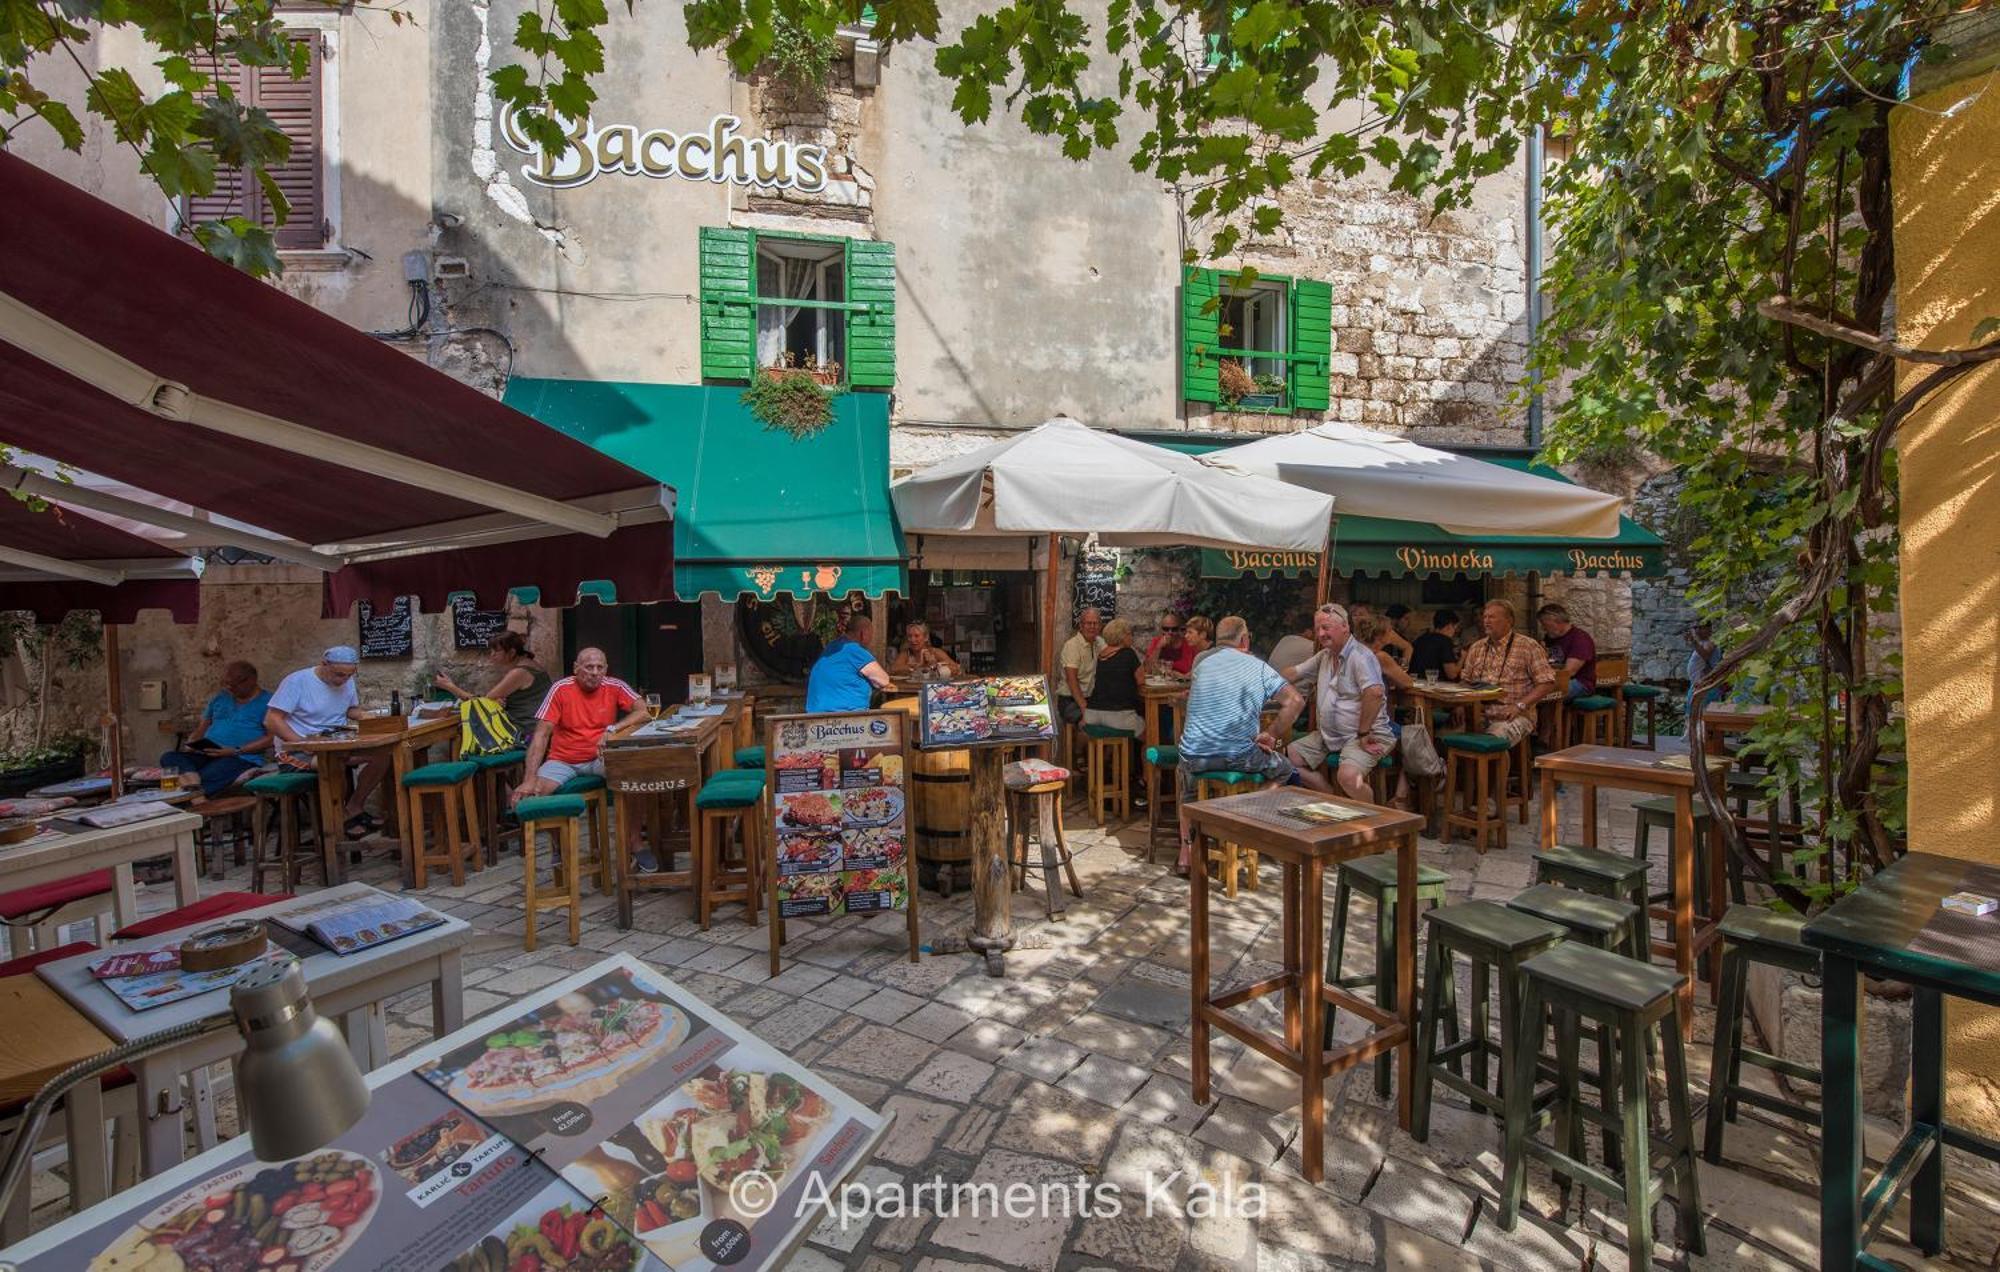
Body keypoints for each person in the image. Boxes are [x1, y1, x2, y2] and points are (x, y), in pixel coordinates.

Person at [1175, 616, 1306, 871]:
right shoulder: (1257, 667)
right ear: (1245, 640)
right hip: (1238, 754)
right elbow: (1296, 701)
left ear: (1217, 640)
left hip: (1193, 754)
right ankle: (1246, 822)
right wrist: (1272, 733)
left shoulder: (1203, 664)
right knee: (1285, 769)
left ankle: (1186, 854)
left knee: (1188, 786)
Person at [266, 646, 388, 838]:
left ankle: (353, 807)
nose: (343, 680)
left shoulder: (347, 681)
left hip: (336, 742)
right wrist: (301, 744)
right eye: (338, 674)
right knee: (333, 763)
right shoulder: (297, 681)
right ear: (324, 664)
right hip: (298, 751)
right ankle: (337, 820)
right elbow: (272, 719)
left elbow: (350, 710)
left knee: (382, 756)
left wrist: (369, 716)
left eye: (348, 675)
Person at [1282, 604, 1396, 801]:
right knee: (1282, 760)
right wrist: (1266, 680)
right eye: (1317, 629)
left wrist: (1363, 732)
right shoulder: (1325, 655)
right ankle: (1331, 796)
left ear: (1345, 627)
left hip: (1365, 735)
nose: (1320, 633)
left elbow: (1375, 693)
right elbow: (1293, 672)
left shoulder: (1360, 656)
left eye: (1326, 627)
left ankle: (1374, 822)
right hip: (1330, 736)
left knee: (1349, 777)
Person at [511, 647, 650, 805]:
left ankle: (634, 831)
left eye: (600, 667)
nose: (595, 672)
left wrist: (612, 730)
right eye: (589, 667)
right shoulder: (560, 689)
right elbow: (541, 735)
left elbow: (644, 712)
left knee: (636, 780)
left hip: (600, 757)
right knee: (529, 798)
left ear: (606, 669)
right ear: (576, 668)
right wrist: (529, 779)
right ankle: (566, 830)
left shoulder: (615, 686)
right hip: (563, 760)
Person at [161, 660, 271, 796]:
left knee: (206, 775)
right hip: (206, 753)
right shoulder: (220, 698)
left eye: (234, 685)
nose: (229, 688)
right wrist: (193, 742)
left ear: (251, 680)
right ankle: (194, 790)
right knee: (169, 757)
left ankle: (193, 799)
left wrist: (234, 751)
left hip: (241, 757)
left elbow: (270, 738)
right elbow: (201, 728)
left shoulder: (269, 702)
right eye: (227, 684)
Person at [1456, 599, 1557, 746]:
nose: (1486, 621)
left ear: (1509, 621)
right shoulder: (1476, 647)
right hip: (1478, 714)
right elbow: (1465, 681)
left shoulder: (1528, 646)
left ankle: (1493, 768)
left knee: (1493, 740)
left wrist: (1519, 705)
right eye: (1485, 617)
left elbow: (1547, 683)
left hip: (1514, 715)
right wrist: (1459, 705)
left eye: (1492, 617)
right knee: (1442, 736)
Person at [434, 630, 552, 741]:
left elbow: (482, 703)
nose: (492, 655)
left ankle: (467, 760)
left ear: (511, 652)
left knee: (465, 726)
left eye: (496, 651)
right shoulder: (531, 665)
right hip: (537, 725)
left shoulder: (519, 672)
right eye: (491, 651)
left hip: (525, 730)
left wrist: (450, 686)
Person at [1085, 618, 1146, 807]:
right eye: (1129, 634)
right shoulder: (1128, 654)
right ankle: (1146, 783)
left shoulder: (1102, 655)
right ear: (1122, 636)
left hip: (1093, 714)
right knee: (1151, 736)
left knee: (1120, 738)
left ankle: (1113, 782)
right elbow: (1141, 680)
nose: (1131, 637)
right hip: (1118, 715)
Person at [805, 614, 895, 713]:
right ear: (863, 634)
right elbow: (883, 680)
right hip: (846, 717)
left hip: (815, 714)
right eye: (871, 635)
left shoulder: (832, 646)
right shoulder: (854, 650)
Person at [1537, 603, 1598, 701]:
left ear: (1558, 621)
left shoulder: (1580, 639)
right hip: (1554, 678)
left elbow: (1569, 672)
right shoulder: (1550, 637)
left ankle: (1552, 716)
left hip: (1579, 683)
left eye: (1545, 625)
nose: (1543, 628)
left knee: (1539, 693)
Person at [1055, 607, 1105, 727]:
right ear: (1081, 626)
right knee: (1090, 723)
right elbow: (1072, 680)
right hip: (1070, 700)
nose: (1092, 626)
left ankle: (1098, 745)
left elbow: (1111, 657)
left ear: (1100, 626)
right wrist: (1084, 707)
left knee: (1113, 720)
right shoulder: (1072, 646)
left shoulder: (1100, 642)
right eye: (1088, 623)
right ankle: (1079, 747)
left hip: (1091, 698)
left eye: (1095, 623)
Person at [1351, 610, 1414, 691]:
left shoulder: (1356, 651)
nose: (1393, 634)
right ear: (1380, 636)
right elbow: (1407, 683)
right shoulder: (1380, 657)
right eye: (1390, 630)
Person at [888, 620, 961, 680]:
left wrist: (935, 665)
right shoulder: (906, 653)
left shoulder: (935, 652)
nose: (912, 640)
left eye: (917, 636)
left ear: (926, 637)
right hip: (911, 689)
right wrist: (917, 666)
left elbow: (956, 669)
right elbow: (893, 669)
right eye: (910, 636)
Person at [1267, 609, 1318, 693]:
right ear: (1309, 632)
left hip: (1271, 694)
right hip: (1292, 697)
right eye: (1318, 629)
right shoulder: (1311, 646)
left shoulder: (1285, 639)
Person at [1352, 602, 1413, 668]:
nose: (1357, 618)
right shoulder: (1349, 633)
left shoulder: (1384, 631)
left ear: (1370, 616)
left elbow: (1407, 647)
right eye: (1354, 615)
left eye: (1361, 614)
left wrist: (1402, 668)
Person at [1687, 620, 1726, 717]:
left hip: (1706, 685)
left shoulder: (1711, 642)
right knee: (1693, 715)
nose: (1697, 631)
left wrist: (1693, 642)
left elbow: (1706, 654)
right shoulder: (1702, 643)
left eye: (1701, 627)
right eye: (1695, 628)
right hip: (1698, 685)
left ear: (1709, 629)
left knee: (1704, 717)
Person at [1409, 610, 1462, 682]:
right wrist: (1463, 657)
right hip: (1436, 686)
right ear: (1449, 626)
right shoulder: (1445, 641)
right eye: (1455, 628)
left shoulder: (1420, 639)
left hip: (1416, 683)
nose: (1454, 632)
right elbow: (1451, 674)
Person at [1142, 610, 1197, 677]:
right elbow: (1148, 669)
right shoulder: (1156, 641)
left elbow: (1191, 669)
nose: (1170, 632)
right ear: (1161, 629)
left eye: (1174, 629)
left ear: (1179, 629)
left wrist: (1176, 674)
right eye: (1166, 629)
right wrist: (1159, 647)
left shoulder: (1187, 643)